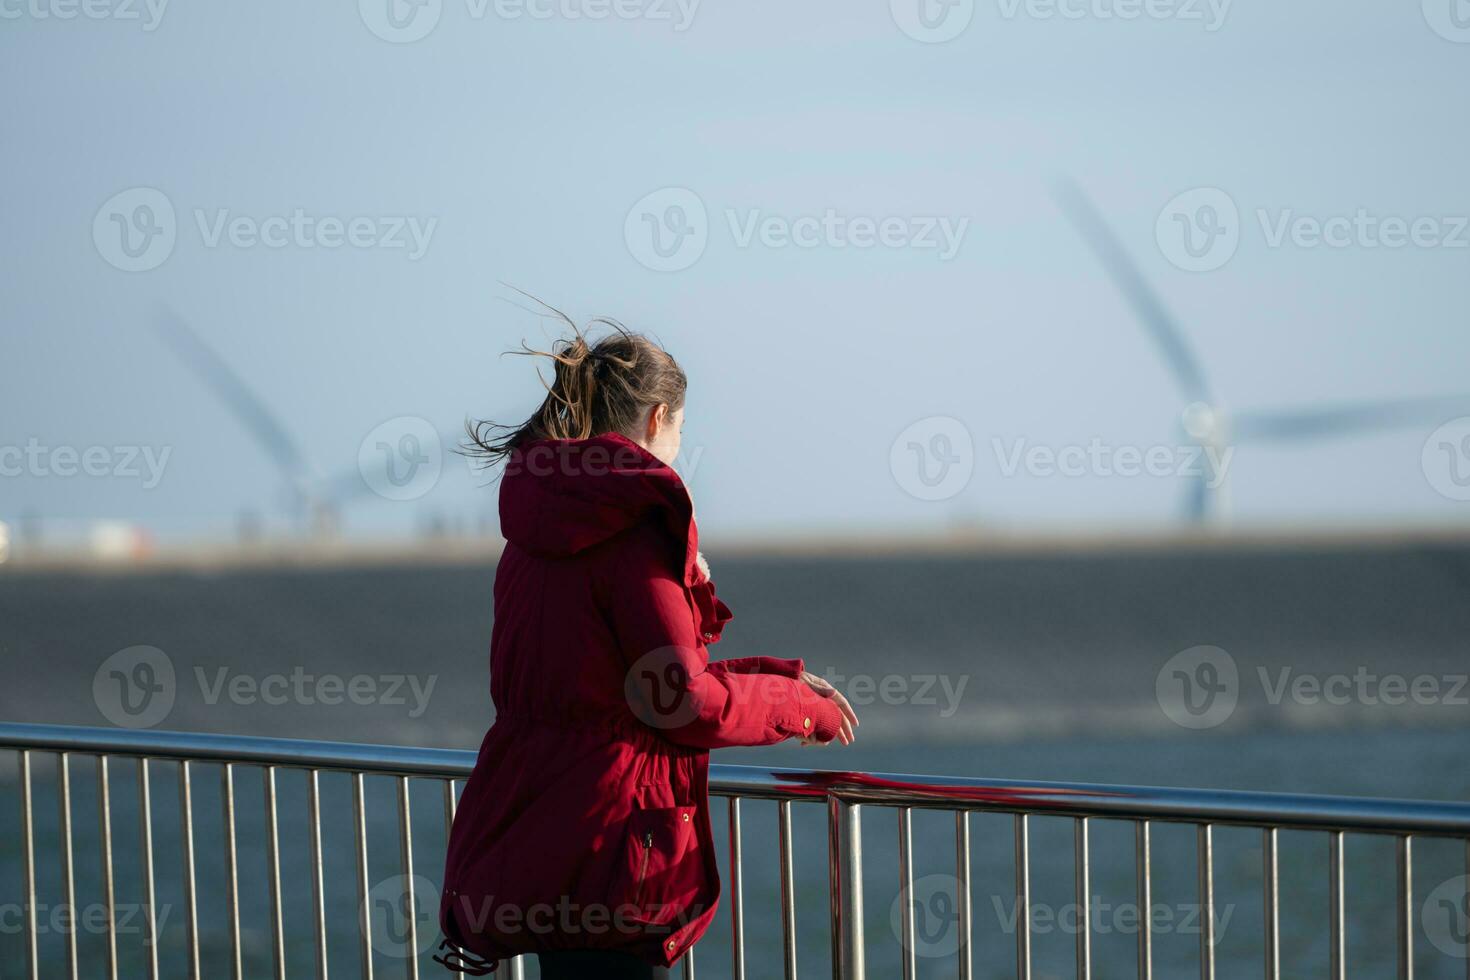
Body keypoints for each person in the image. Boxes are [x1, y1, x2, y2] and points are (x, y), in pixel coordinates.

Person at [436, 312, 857, 979]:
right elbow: (681, 700)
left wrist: (774, 674)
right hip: (615, 848)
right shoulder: (632, 533)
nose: (680, 448)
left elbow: (609, 678)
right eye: (683, 431)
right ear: (658, 418)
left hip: (541, 829)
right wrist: (800, 708)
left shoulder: (535, 525)